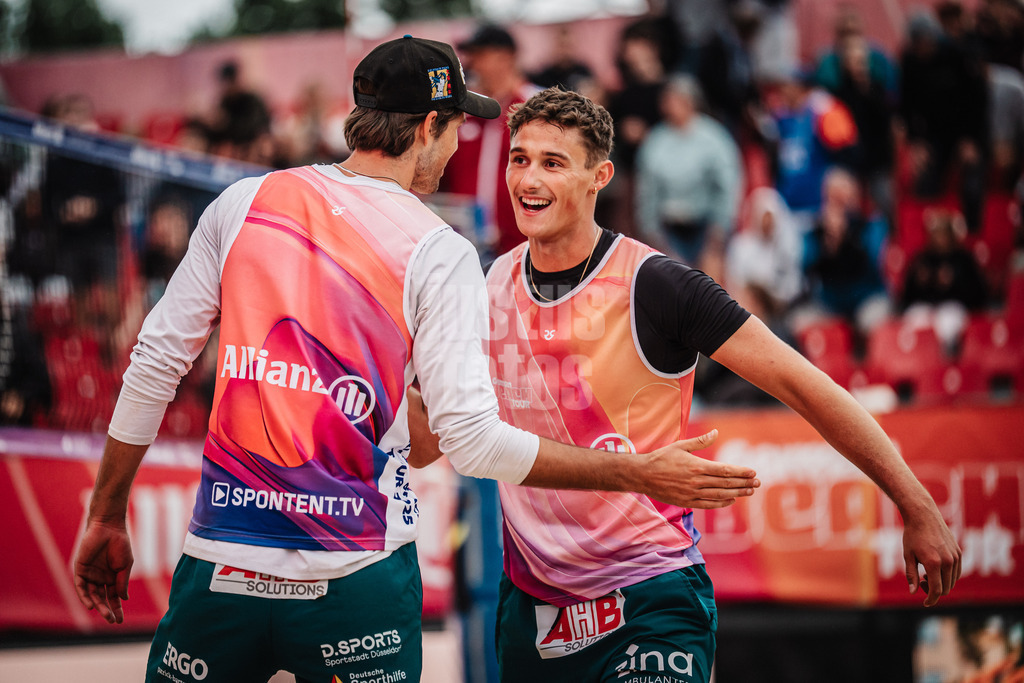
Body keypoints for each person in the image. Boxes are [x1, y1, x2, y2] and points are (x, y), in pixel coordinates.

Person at [72, 37, 760, 683]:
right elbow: (473, 442)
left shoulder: (244, 201)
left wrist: (106, 513)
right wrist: (637, 471)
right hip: (357, 580)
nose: (460, 144)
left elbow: (156, 361)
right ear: (430, 126)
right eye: (458, 125)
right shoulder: (438, 248)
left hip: (220, 564)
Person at [415, 87, 960, 682]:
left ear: (600, 177)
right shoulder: (489, 284)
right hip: (534, 608)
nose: (527, 178)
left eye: (552, 162)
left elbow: (805, 386)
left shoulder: (656, 283)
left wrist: (917, 504)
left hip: (651, 592)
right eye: (519, 158)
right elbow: (432, 440)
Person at [440, 23, 542, 257]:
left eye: (480, 55)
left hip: (525, 246)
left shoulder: (539, 105)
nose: (471, 63)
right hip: (465, 246)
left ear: (506, 57)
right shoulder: (462, 110)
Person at [634, 75, 744, 273]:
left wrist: (720, 228)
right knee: (673, 289)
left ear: (690, 102)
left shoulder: (713, 138)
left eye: (675, 100)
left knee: (708, 290)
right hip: (669, 229)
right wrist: (651, 231)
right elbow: (647, 189)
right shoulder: (656, 141)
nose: (668, 106)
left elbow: (727, 185)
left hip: (706, 227)